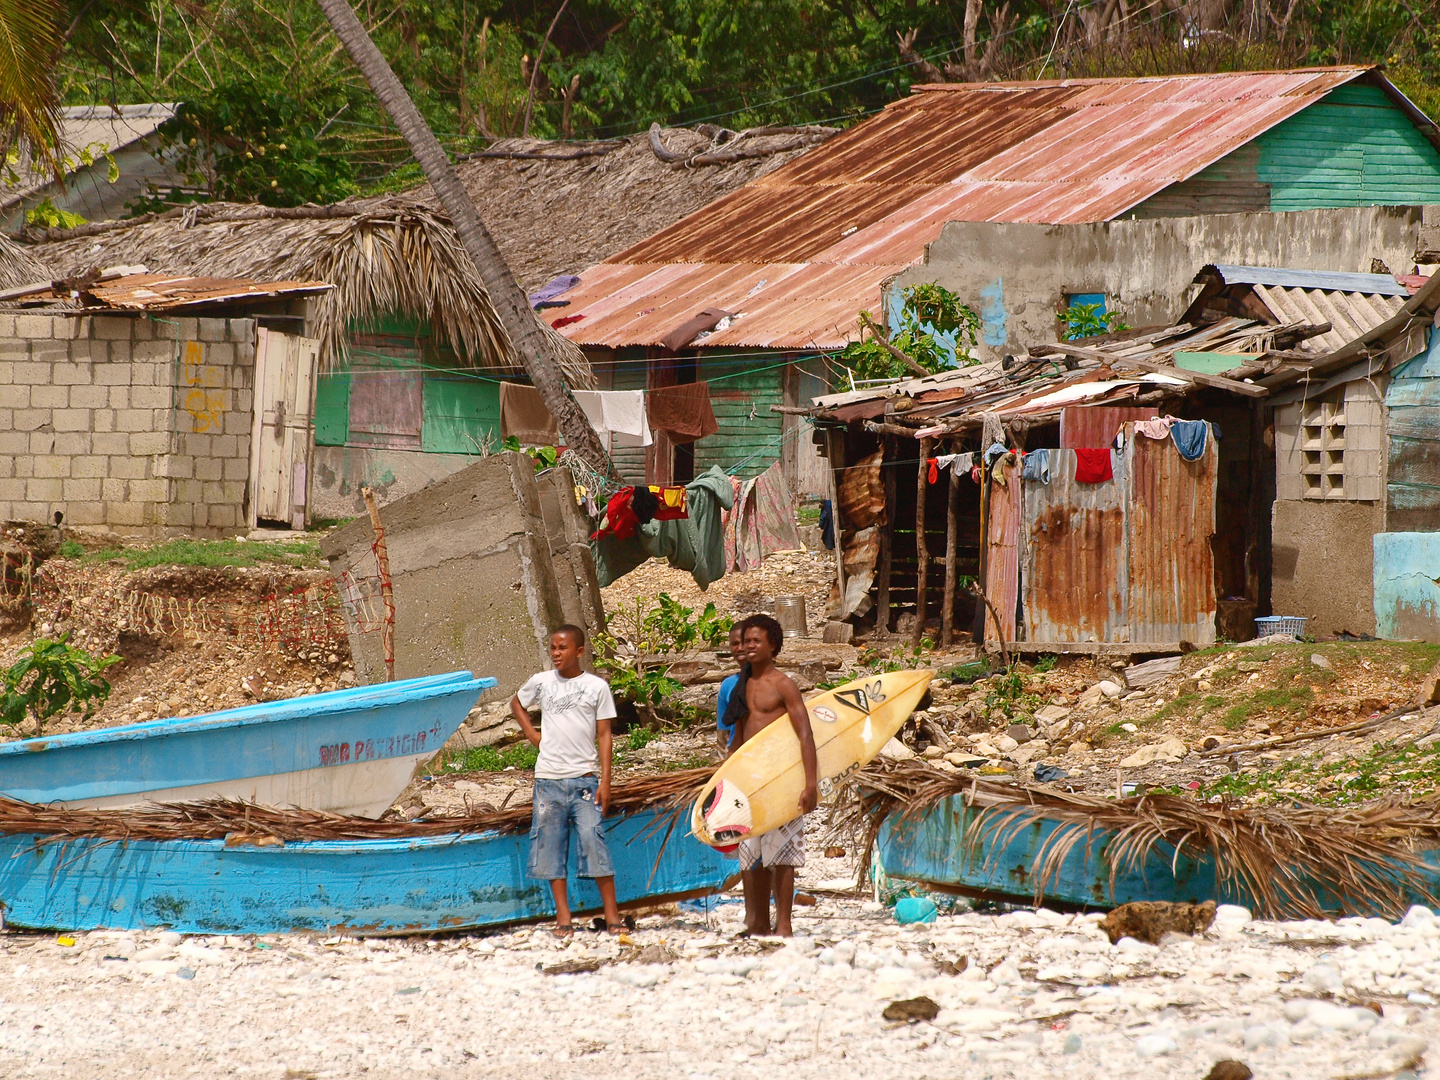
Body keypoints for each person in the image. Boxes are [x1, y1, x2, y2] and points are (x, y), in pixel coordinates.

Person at [510, 624, 623, 938]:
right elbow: (516, 703)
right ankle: (564, 920)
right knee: (549, 848)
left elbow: (604, 735)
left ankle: (612, 917)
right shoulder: (542, 682)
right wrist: (532, 734)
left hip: (585, 782)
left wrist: (606, 781)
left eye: (562, 648)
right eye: (553, 648)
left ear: (579, 651)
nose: (556, 654)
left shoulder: (596, 687)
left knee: (594, 843)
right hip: (547, 782)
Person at [724, 614, 819, 937]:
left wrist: (810, 784)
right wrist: (724, 779)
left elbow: (806, 735)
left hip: (782, 778)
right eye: (746, 641)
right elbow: (737, 736)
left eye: (755, 641)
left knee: (782, 855)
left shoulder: (783, 685)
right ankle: (758, 922)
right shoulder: (742, 683)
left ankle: (784, 924)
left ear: (773, 646)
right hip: (750, 779)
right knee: (751, 854)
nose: (748, 647)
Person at [714, 624, 745, 749]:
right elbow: (723, 735)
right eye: (735, 644)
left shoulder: (777, 683)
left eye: (744, 642)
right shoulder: (728, 685)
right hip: (738, 756)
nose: (740, 648)